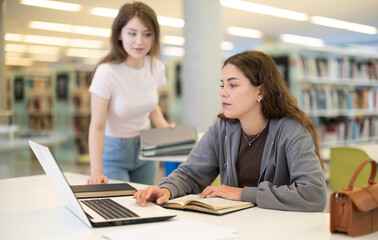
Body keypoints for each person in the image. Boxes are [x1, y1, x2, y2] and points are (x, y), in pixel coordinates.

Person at [134, 50, 327, 212]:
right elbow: (191, 174)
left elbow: (314, 194)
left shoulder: (291, 130)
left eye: (233, 85)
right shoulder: (223, 127)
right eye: (223, 84)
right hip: (237, 225)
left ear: (260, 92)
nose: (223, 92)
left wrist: (242, 193)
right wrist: (166, 189)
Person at [87, 2, 173, 185]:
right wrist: (96, 171)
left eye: (147, 34)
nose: (139, 41)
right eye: (132, 33)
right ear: (119, 33)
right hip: (114, 152)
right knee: (121, 209)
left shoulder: (156, 67)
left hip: (147, 148)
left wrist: (167, 130)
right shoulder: (106, 72)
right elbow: (97, 126)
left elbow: (153, 109)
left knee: (145, 207)